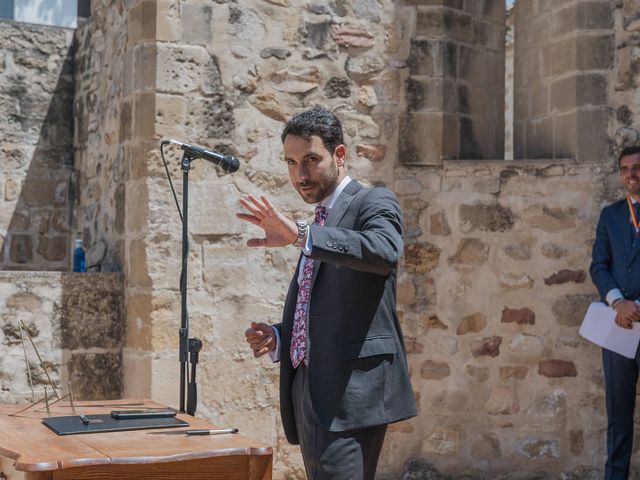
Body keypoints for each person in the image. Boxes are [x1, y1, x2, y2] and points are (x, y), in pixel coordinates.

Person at [237, 106, 416, 479]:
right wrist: (282, 336)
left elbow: (383, 251)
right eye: (290, 162)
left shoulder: (373, 202)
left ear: (340, 155)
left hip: (352, 393)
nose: (299, 175)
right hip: (310, 388)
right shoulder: (321, 221)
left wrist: (302, 235)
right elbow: (323, 305)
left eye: (310, 160)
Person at [590, 145, 640, 479]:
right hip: (620, 326)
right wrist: (617, 303)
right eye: (625, 169)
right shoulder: (610, 215)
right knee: (618, 415)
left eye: (636, 167)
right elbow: (598, 266)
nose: (631, 174)